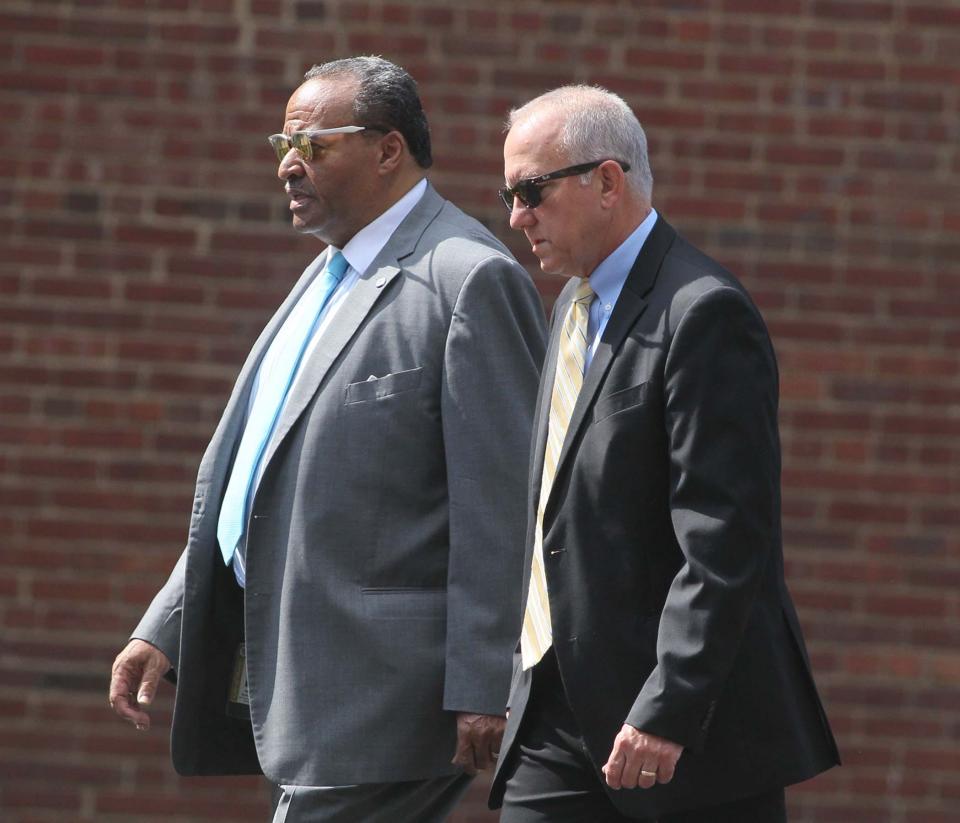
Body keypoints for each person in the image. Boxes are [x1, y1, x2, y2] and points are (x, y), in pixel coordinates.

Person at [109, 56, 547, 823]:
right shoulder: (323, 276)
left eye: (312, 144)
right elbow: (254, 480)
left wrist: (483, 680)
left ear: (388, 149)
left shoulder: (468, 277)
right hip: (302, 695)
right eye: (282, 142)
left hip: (387, 698)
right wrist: (168, 623)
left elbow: (503, 502)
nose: (286, 163)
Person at [489, 85, 840, 822]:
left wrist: (668, 706)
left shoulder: (703, 311)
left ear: (607, 181)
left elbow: (724, 538)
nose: (516, 216)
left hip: (680, 736)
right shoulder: (571, 309)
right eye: (509, 194)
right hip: (555, 719)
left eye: (531, 191)